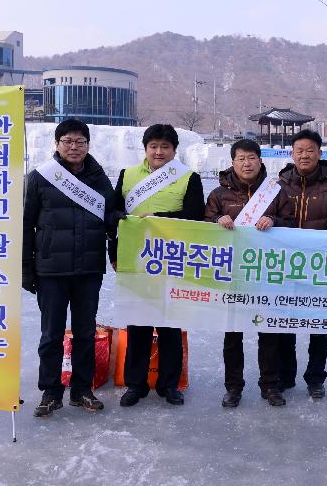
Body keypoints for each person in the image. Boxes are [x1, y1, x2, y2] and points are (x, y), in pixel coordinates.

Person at [23, 118, 116, 418]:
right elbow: (25, 226)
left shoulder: (99, 178)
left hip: (89, 269)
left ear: (88, 145)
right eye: (68, 141)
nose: (74, 147)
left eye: (80, 141)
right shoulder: (39, 178)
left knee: (85, 333)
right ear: (57, 144)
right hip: (50, 270)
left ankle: (81, 389)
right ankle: (51, 392)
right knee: (51, 334)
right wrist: (27, 269)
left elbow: (112, 217)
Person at [109, 124, 205, 406]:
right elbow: (113, 213)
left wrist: (157, 216)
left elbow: (194, 216)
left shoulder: (188, 177)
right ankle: (135, 385)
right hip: (136, 258)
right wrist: (114, 253)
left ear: (175, 150)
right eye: (154, 146)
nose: (159, 151)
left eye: (165, 147)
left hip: (172, 259)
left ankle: (169, 385)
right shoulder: (128, 176)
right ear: (146, 148)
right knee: (137, 323)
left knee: (170, 325)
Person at [204, 139, 287, 408]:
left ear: (260, 160)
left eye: (251, 157)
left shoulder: (276, 192)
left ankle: (270, 385)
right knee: (233, 335)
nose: (246, 163)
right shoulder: (218, 194)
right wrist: (217, 221)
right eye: (240, 158)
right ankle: (233, 386)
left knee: (269, 333)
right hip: (232, 275)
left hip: (267, 273)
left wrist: (275, 221)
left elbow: (292, 224)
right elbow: (202, 225)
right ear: (232, 162)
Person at [275, 130, 327, 399]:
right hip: (286, 268)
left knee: (319, 327)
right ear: (292, 154)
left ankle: (316, 377)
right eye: (299, 150)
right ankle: (285, 375)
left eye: (310, 150)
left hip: (322, 269)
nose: (305, 155)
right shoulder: (278, 186)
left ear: (320, 154)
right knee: (285, 326)